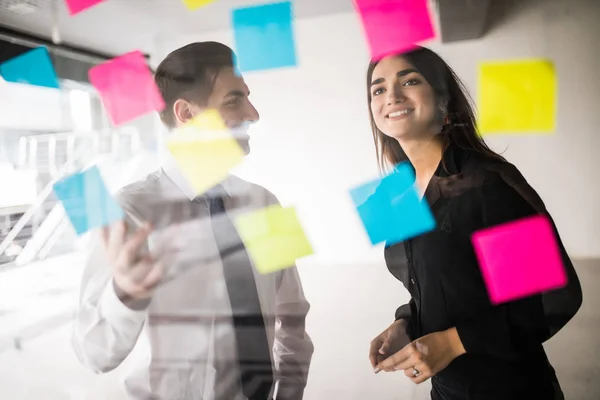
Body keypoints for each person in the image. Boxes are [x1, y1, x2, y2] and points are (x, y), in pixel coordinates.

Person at [72, 42, 313, 400]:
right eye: (234, 100)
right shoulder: (127, 211)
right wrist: (124, 296)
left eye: (248, 97)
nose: (253, 113)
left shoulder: (267, 203)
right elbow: (93, 355)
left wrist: (290, 391)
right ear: (186, 112)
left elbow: (292, 315)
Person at [365, 47, 582, 399]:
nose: (391, 95)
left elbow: (551, 298)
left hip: (509, 389)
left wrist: (453, 342)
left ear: (443, 100)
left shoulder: (483, 181)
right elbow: (436, 285)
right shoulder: (397, 192)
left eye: (410, 80)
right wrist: (406, 322)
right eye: (378, 88)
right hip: (447, 390)